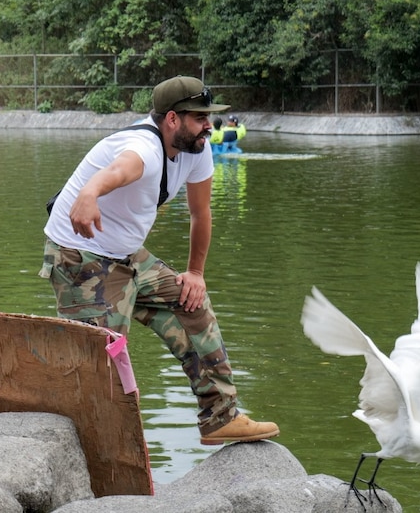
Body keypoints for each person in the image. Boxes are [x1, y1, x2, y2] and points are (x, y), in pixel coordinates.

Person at [40, 75, 279, 445]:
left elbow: (201, 213)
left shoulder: (197, 151)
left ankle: (220, 417)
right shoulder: (143, 148)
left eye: (207, 118)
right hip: (80, 255)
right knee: (102, 358)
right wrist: (89, 191)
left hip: (127, 254)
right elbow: (119, 170)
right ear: (172, 119)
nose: (207, 127)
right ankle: (84, 444)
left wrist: (196, 272)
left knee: (191, 304)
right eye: (200, 118)